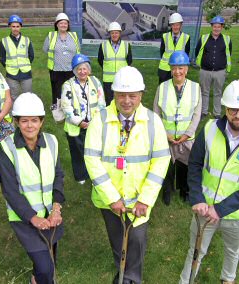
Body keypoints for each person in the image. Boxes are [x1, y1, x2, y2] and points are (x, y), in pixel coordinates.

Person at [178, 80, 239, 284]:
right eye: (233, 110)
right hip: (204, 208)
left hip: (238, 214)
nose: (238, 115)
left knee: (232, 251)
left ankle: (228, 279)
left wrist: (220, 209)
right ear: (225, 108)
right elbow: (194, 164)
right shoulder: (209, 129)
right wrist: (196, 197)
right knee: (195, 251)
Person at [85, 66, 171, 283]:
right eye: (122, 95)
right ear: (114, 94)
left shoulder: (153, 122)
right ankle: (123, 274)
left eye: (132, 95)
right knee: (117, 241)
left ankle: (131, 278)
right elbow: (92, 160)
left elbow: (161, 160)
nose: (127, 101)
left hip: (139, 202)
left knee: (137, 243)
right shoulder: (99, 120)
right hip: (110, 202)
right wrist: (112, 198)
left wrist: (146, 199)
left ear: (141, 95)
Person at [0, 92, 65, 284]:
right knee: (46, 268)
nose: (29, 125)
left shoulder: (51, 141)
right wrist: (33, 217)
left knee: (49, 258)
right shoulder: (6, 148)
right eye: (24, 121)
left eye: (34, 120)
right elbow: (10, 191)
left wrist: (56, 208)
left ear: (41, 121)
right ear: (16, 122)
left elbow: (58, 176)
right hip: (24, 218)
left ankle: (36, 278)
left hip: (50, 215)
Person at [153, 51, 201, 205]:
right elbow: (156, 112)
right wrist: (165, 134)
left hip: (186, 138)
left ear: (186, 69)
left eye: (181, 68)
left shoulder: (195, 87)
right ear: (170, 69)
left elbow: (197, 114)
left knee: (186, 166)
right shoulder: (162, 87)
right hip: (166, 138)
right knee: (166, 166)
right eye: (174, 68)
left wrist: (187, 134)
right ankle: (167, 191)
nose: (177, 71)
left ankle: (185, 191)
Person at [61, 54, 105, 184]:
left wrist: (95, 121)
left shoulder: (95, 82)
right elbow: (66, 106)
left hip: (93, 123)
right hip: (76, 126)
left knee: (94, 151)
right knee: (78, 152)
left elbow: (101, 102)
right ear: (75, 71)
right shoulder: (68, 85)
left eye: (85, 68)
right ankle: (81, 175)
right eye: (79, 69)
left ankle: (94, 174)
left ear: (89, 70)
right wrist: (79, 122)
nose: (82, 72)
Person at [195, 16, 232, 120]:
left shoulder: (227, 39)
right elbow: (197, 51)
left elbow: (229, 53)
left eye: (219, 27)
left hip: (220, 71)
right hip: (205, 71)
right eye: (214, 26)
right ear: (211, 27)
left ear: (222, 27)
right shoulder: (203, 38)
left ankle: (217, 113)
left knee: (218, 92)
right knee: (204, 91)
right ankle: (204, 111)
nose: (216, 29)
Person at [43, 12, 80, 109]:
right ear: (57, 25)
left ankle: (70, 107)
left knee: (71, 89)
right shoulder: (51, 36)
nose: (63, 25)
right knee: (56, 89)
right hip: (56, 69)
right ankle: (57, 108)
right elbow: (45, 49)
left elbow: (78, 49)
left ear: (68, 25)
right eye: (61, 23)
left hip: (71, 69)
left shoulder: (74, 36)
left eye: (65, 23)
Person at [0, 14, 35, 100]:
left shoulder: (26, 40)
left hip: (26, 73)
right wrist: (8, 66)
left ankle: (27, 113)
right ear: (10, 27)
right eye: (13, 26)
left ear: (20, 27)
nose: (15, 28)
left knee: (28, 96)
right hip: (11, 74)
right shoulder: (4, 41)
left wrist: (25, 64)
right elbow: (2, 58)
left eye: (17, 26)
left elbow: (31, 56)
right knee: (13, 97)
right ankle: (14, 113)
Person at [97, 21, 133, 105]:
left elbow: (129, 60)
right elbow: (100, 60)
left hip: (122, 78)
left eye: (116, 33)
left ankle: (120, 114)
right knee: (109, 100)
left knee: (122, 98)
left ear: (120, 33)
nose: (114, 35)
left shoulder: (126, 45)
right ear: (110, 34)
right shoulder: (103, 45)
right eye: (112, 33)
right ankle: (110, 116)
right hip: (108, 79)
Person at [158, 13, 191, 84]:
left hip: (178, 69)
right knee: (163, 89)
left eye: (177, 25)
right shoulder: (165, 36)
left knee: (176, 89)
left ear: (180, 25)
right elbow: (162, 51)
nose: (175, 27)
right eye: (173, 25)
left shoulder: (186, 37)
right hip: (165, 68)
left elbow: (186, 54)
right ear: (171, 25)